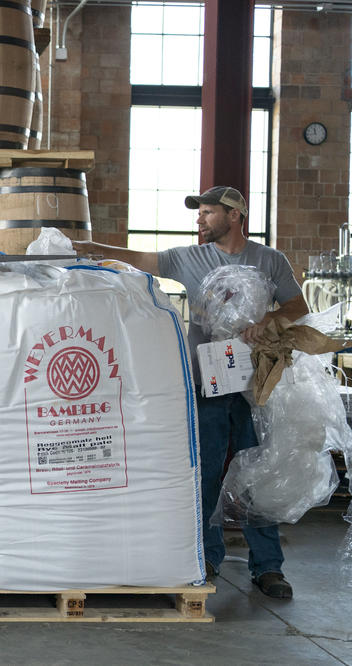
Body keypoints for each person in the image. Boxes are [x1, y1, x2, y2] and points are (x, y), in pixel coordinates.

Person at [73, 185, 308, 600]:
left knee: (258, 472)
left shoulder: (270, 261)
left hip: (257, 383)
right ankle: (206, 558)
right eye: (199, 213)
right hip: (208, 382)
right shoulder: (189, 257)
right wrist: (89, 246)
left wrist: (269, 319)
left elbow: (298, 307)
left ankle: (268, 567)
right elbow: (140, 259)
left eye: (208, 213)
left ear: (234, 216)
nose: (199, 220)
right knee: (206, 470)